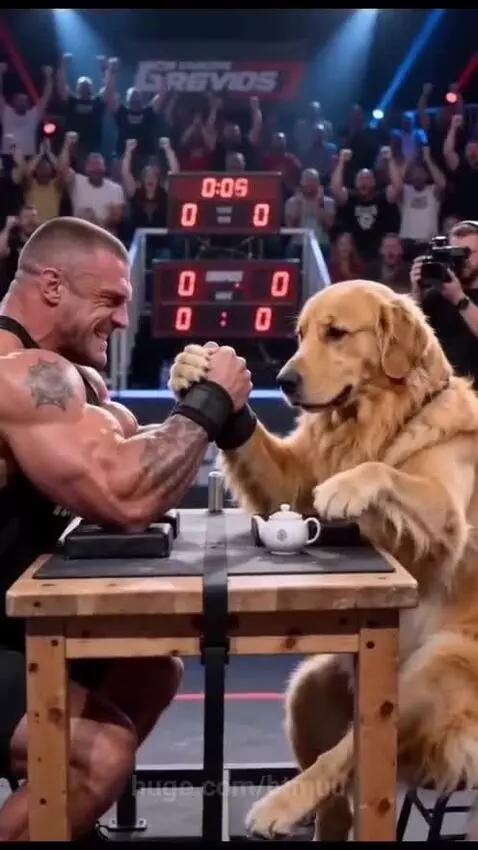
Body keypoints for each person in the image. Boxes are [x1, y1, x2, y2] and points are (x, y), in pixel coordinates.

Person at [0, 215, 253, 841]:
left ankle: (58, 822)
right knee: (100, 753)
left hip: (12, 624)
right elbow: (123, 493)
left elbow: (128, 450)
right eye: (109, 300)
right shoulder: (19, 375)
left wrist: (200, 404)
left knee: (151, 668)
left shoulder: (63, 375)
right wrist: (208, 404)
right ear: (52, 286)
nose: (120, 320)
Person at [410, 220, 478, 387]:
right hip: (443, 395)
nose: (460, 260)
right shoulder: (437, 295)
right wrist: (416, 293)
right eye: (453, 252)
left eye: (466, 253)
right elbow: (410, 340)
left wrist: (459, 299)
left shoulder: (453, 295)